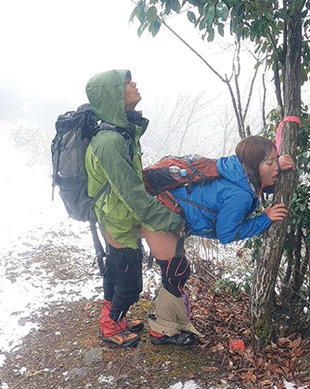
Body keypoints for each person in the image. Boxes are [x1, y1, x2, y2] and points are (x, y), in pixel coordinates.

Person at [143, 135, 294, 346]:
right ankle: (163, 331)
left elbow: (253, 182)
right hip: (164, 215)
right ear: (253, 165)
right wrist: (265, 219)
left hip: (167, 207)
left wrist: (277, 166)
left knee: (176, 271)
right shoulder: (239, 195)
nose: (275, 167)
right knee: (175, 272)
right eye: (269, 162)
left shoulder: (234, 168)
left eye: (274, 160)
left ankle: (168, 323)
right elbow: (227, 234)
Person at [84, 69, 186, 347]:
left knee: (117, 271)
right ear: (114, 96)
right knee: (129, 284)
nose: (134, 84)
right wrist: (171, 220)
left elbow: (132, 185)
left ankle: (114, 319)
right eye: (127, 83)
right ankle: (110, 328)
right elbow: (132, 194)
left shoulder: (120, 133)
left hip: (119, 215)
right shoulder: (109, 142)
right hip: (117, 217)